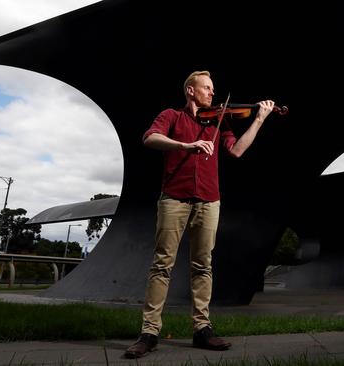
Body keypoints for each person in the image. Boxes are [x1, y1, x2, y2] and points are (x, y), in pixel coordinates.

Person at [124, 70, 275, 359]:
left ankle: (202, 330)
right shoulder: (172, 116)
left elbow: (237, 151)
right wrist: (185, 145)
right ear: (191, 91)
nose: (212, 93)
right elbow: (150, 138)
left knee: (203, 266)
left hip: (209, 201)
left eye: (213, 89)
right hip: (173, 200)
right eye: (207, 88)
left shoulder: (219, 121)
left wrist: (259, 119)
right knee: (162, 265)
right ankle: (149, 332)